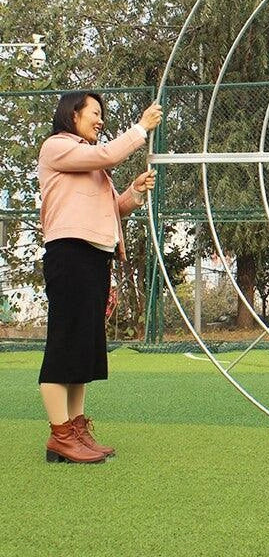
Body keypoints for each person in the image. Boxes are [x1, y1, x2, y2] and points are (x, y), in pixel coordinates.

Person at [37, 91, 162, 463]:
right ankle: (60, 436)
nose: (100, 119)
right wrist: (140, 129)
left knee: (82, 348)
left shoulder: (90, 164)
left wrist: (134, 192)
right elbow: (108, 154)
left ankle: (76, 430)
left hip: (93, 257)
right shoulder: (57, 147)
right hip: (69, 254)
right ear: (72, 114)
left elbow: (112, 207)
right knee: (65, 344)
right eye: (95, 112)